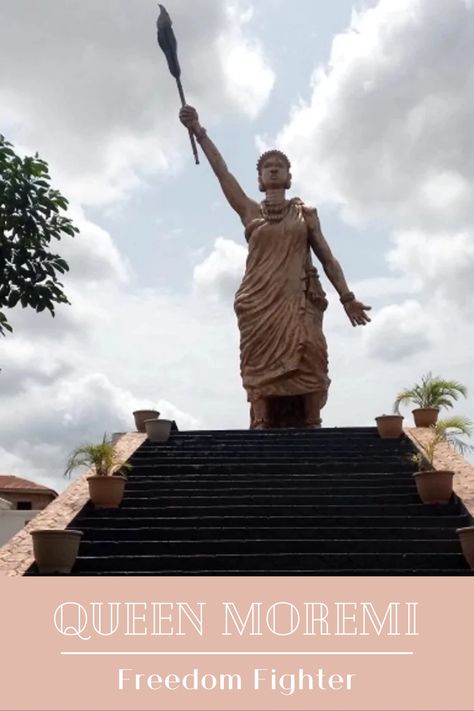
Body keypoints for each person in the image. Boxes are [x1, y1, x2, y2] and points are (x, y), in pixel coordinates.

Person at [179, 105, 371, 429]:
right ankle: (263, 419)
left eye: (279, 166)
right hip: (258, 304)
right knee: (258, 362)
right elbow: (222, 173)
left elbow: (326, 256)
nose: (272, 170)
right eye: (267, 167)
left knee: (312, 350)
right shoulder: (250, 211)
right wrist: (199, 131)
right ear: (258, 179)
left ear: (289, 175)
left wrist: (347, 297)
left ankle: (312, 419)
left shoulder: (305, 213)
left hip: (297, 300)